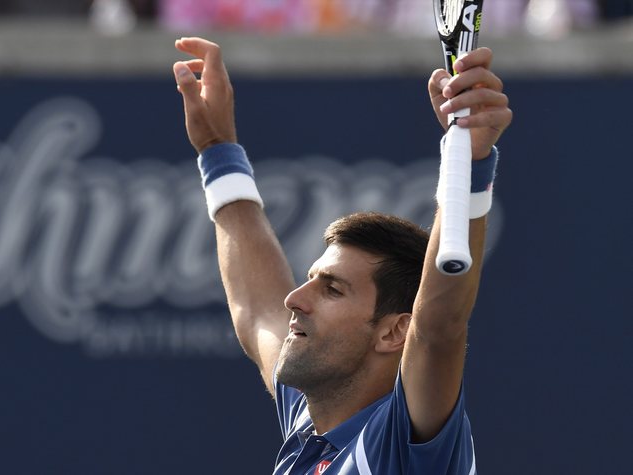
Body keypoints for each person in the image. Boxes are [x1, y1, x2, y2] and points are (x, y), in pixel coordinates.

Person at [172, 37, 512, 474]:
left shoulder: (400, 447)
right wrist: (217, 150)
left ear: (394, 333)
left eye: (332, 289)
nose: (295, 298)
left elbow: (438, 326)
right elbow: (256, 312)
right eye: (312, 278)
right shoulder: (309, 422)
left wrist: (470, 160)